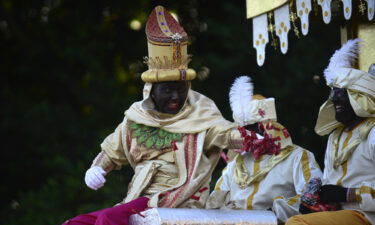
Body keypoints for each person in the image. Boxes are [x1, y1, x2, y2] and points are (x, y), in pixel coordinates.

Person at [62, 5, 252, 225]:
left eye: (180, 89)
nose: (175, 96)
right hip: (139, 200)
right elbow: (113, 151)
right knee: (76, 223)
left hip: (175, 201)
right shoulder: (136, 117)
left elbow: (223, 133)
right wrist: (96, 168)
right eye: (167, 89)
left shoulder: (201, 113)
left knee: (106, 219)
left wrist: (249, 137)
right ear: (152, 90)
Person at [205, 76, 322, 223]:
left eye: (255, 128)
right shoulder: (235, 165)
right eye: (245, 130)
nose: (249, 135)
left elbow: (311, 198)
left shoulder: (298, 157)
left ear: (270, 126)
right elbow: (215, 201)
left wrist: (271, 214)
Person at [286, 39, 375, 225]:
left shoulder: (373, 133)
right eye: (333, 94)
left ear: (360, 99)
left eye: (340, 94)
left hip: (366, 217)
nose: (334, 99)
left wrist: (348, 194)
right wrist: (315, 199)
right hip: (337, 214)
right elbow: (327, 182)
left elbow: (345, 194)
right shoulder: (336, 136)